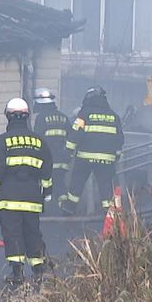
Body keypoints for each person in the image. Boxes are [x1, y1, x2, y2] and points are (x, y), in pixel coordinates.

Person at [0, 98, 53, 286]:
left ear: (8, 116)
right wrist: (47, 190)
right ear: (27, 116)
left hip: (8, 198)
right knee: (33, 233)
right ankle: (39, 270)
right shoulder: (39, 141)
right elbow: (47, 170)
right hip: (32, 197)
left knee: (13, 234)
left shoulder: (3, 141)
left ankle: (17, 273)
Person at [59, 86, 123, 216]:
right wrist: (116, 155)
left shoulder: (84, 114)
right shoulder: (114, 116)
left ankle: (69, 209)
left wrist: (68, 152)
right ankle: (110, 215)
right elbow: (119, 139)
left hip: (84, 158)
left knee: (77, 183)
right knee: (106, 186)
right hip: (107, 160)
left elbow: (75, 134)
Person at [32, 88, 71, 212]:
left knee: (46, 183)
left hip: (47, 158)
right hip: (63, 159)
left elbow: (38, 139)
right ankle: (63, 206)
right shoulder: (64, 117)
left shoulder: (41, 118)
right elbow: (71, 138)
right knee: (60, 183)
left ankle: (47, 209)